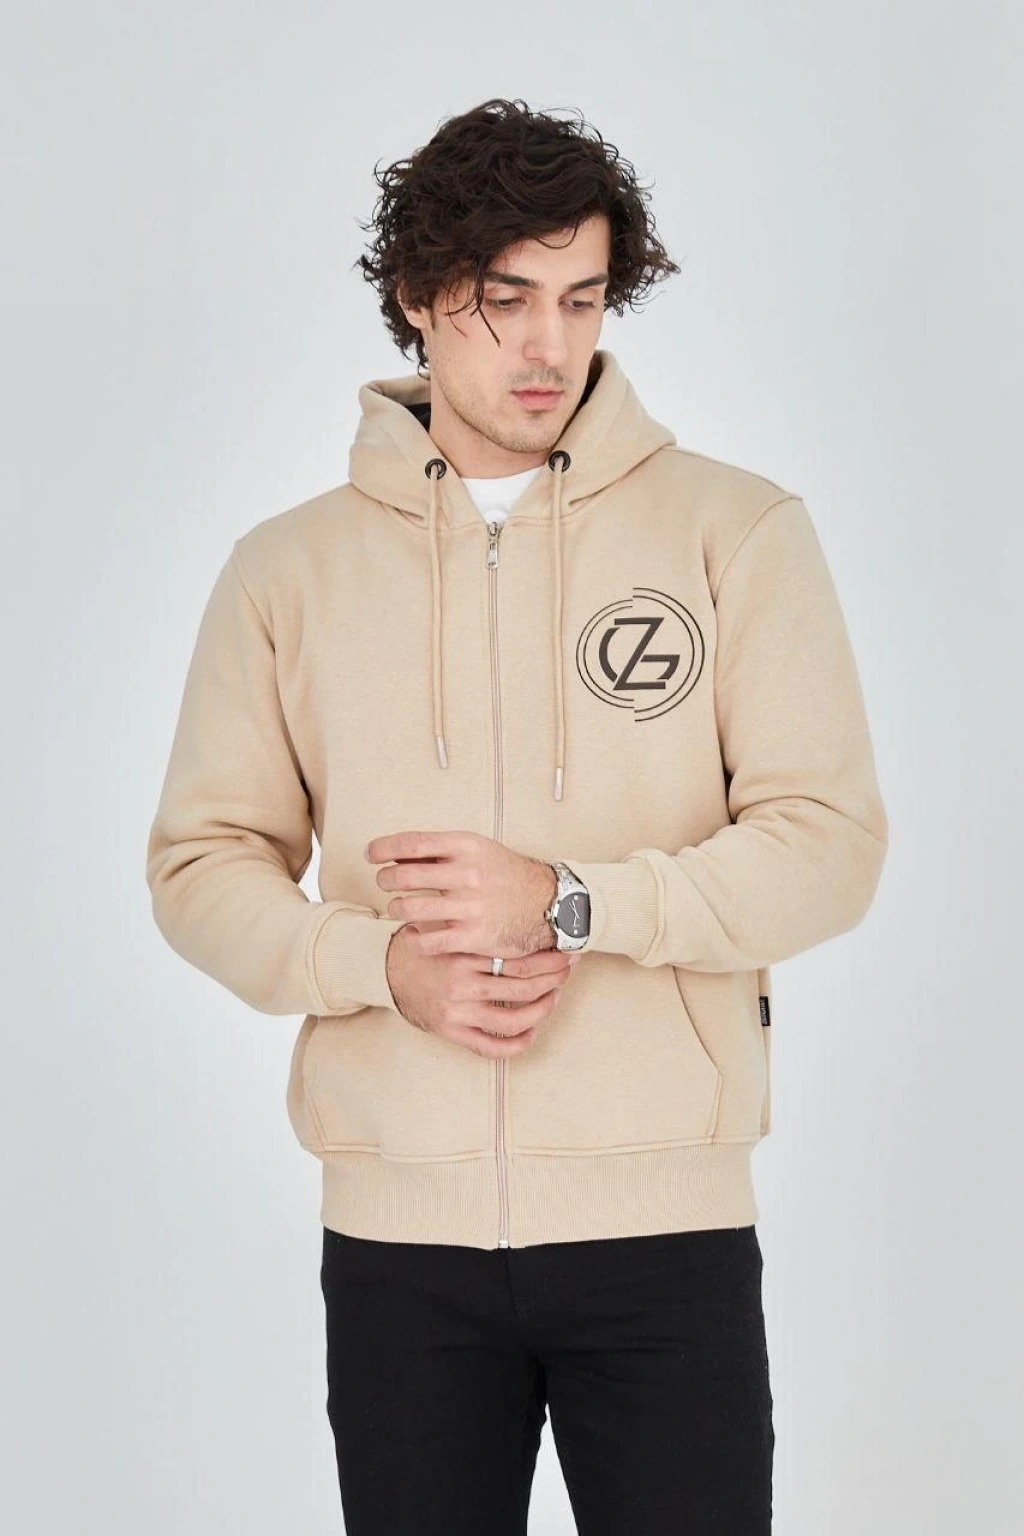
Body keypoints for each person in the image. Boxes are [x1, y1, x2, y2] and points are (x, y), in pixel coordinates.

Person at [146, 97, 888, 1535]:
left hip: (664, 1233)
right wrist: (379, 968)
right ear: (421, 296)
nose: (551, 346)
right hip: (400, 1248)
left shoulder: (734, 532)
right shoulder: (285, 571)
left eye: (582, 299)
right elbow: (200, 863)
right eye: (507, 301)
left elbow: (829, 845)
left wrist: (572, 899)